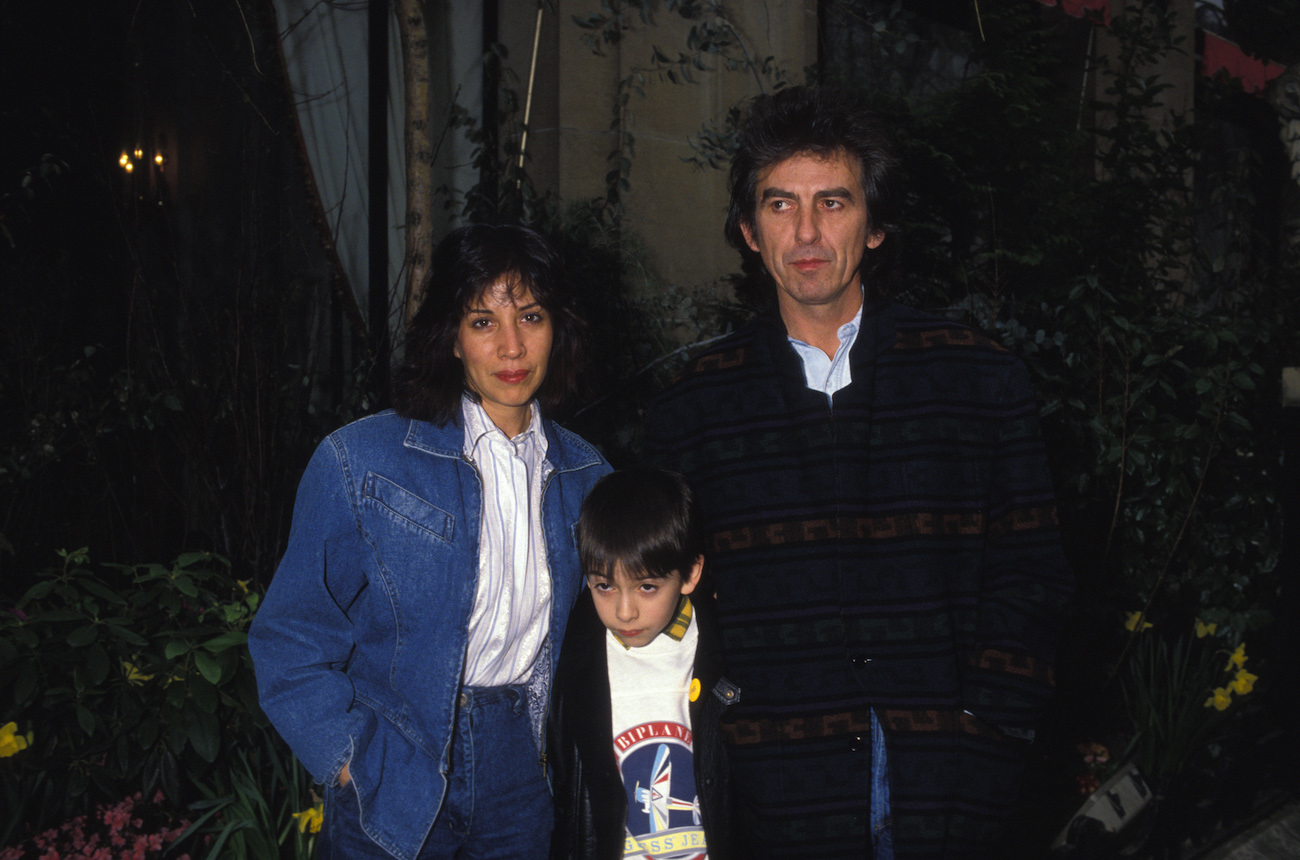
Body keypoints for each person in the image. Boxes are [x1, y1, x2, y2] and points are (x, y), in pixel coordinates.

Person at [644, 86, 1074, 858]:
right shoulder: (692, 406)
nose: (807, 232)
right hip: (773, 791)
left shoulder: (979, 381)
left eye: (834, 203)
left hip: (949, 784)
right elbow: (668, 597)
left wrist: (994, 727)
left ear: (874, 225)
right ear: (748, 229)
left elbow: (1031, 569)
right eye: (781, 205)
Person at [249, 223, 612, 860]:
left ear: (559, 328)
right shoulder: (361, 460)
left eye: (530, 315)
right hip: (394, 761)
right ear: (450, 337)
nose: (511, 345)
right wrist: (348, 760)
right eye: (482, 322)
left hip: (524, 777)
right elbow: (290, 634)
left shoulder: (588, 479)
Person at [548, 468, 737, 860]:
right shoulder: (575, 665)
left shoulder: (723, 654)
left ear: (690, 574)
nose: (624, 611)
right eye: (604, 586)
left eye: (646, 587)